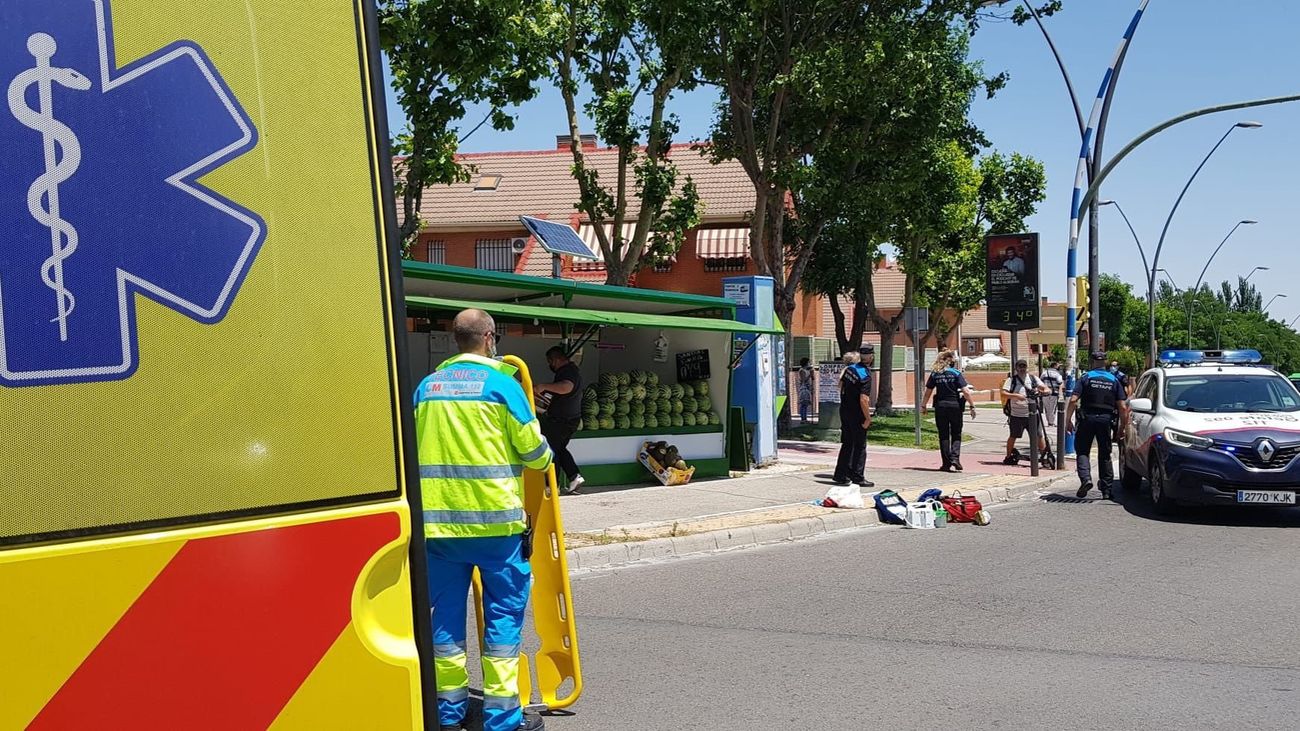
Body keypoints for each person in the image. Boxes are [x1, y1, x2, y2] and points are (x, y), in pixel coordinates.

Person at [414, 309, 553, 731]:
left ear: (454, 339)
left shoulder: (426, 388)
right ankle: (501, 718)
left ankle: (448, 714)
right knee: (502, 626)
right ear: (490, 338)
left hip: (438, 530)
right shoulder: (502, 385)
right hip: (496, 529)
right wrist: (546, 452)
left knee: (444, 627)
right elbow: (533, 453)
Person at [1067, 351, 1130, 499]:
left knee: (1082, 450)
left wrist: (1067, 420)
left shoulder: (1086, 377)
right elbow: (1122, 407)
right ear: (1106, 362)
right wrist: (1121, 429)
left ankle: (1086, 479)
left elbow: (1073, 400)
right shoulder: (1113, 380)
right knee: (1105, 454)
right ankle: (1107, 491)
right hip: (1105, 420)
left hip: (1087, 418)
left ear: (1092, 362)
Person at [535, 346, 584, 495]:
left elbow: (566, 387)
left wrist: (544, 386)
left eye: (550, 361)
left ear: (555, 359)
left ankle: (552, 485)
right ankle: (574, 476)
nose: (550, 365)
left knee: (552, 450)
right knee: (560, 448)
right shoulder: (571, 370)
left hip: (562, 421)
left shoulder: (568, 371)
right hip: (569, 419)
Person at [922, 350, 978, 472]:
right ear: (950, 361)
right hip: (955, 406)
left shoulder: (935, 374)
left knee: (943, 435)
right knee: (956, 433)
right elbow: (966, 391)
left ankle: (946, 463)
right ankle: (955, 458)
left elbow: (928, 392)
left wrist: (923, 405)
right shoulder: (956, 373)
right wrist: (972, 406)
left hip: (940, 406)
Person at [833, 347, 874, 488]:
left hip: (845, 410)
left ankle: (841, 474)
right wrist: (868, 418)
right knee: (860, 445)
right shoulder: (865, 375)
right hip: (857, 413)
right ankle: (858, 476)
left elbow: (841, 386)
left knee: (847, 444)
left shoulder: (850, 370)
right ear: (870, 357)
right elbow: (864, 399)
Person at [1001, 359, 1048, 465]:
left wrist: (1044, 391)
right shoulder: (1011, 380)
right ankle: (1008, 457)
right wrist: (1016, 396)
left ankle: (1044, 457)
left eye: (1024, 366)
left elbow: (1045, 388)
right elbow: (1003, 393)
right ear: (1016, 368)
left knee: (1038, 435)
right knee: (1013, 435)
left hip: (1032, 413)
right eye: (1020, 367)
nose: (1022, 369)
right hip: (1016, 414)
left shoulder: (1033, 378)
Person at [1040, 359, 1064, 427]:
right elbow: (1060, 383)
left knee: (1047, 408)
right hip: (1054, 393)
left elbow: (1040, 382)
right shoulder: (1057, 374)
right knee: (1052, 408)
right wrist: (1061, 394)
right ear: (1055, 366)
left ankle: (1049, 421)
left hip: (1045, 393)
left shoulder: (1044, 373)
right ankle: (1051, 422)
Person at [797, 357, 815, 423]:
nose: (809, 363)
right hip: (804, 388)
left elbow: (813, 378)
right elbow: (803, 380)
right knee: (803, 403)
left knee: (806, 404)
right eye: (808, 362)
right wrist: (810, 374)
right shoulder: (802, 370)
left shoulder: (807, 370)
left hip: (808, 387)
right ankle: (803, 419)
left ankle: (805, 418)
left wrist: (812, 373)